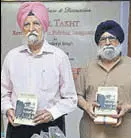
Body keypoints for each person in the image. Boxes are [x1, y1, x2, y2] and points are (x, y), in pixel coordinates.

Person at [1, 2, 77, 138]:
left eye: (36, 23)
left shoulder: (59, 57)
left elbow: (71, 98)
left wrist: (52, 113)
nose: (31, 28)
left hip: (50, 125)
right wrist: (8, 109)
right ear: (22, 28)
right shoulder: (12, 57)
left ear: (44, 25)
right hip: (18, 127)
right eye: (26, 24)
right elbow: (3, 92)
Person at [75, 20, 131, 138]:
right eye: (103, 39)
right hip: (92, 131)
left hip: (125, 131)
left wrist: (128, 107)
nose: (107, 43)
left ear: (119, 41)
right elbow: (77, 96)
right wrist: (86, 106)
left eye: (112, 38)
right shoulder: (88, 67)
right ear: (98, 44)